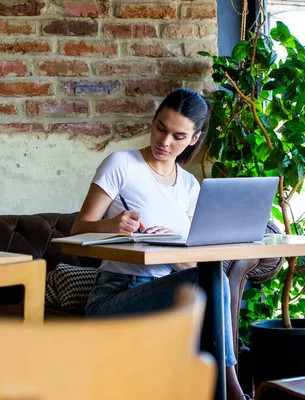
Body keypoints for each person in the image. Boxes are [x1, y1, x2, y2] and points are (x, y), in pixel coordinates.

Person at [71, 88, 251, 400]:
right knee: (212, 282)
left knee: (209, 284)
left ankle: (220, 388)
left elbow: (194, 262)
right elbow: (77, 231)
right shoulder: (121, 164)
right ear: (153, 122)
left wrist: (168, 253)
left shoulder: (189, 186)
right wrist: (113, 226)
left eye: (179, 136)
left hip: (170, 291)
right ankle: (233, 389)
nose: (165, 143)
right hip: (117, 294)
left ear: (194, 139)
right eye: (160, 128)